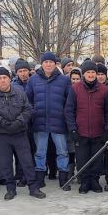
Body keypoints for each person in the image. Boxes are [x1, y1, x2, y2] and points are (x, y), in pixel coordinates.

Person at [0, 67, 46, 200]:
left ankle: (34, 188)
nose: (2, 80)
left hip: (19, 133)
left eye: (5, 77)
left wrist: (19, 122)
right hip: (2, 135)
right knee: (5, 163)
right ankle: (10, 189)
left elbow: (28, 110)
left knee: (27, 162)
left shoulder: (20, 93)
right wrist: (3, 123)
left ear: (9, 79)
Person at [65, 60, 108, 194]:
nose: (91, 75)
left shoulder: (103, 89)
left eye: (93, 72)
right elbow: (69, 110)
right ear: (83, 74)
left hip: (99, 132)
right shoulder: (75, 89)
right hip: (81, 132)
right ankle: (85, 181)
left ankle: (95, 181)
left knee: (97, 159)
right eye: (88, 72)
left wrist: (107, 129)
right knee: (82, 159)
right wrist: (73, 129)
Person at [25, 51, 72, 188]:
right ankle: (40, 177)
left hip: (59, 122)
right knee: (40, 152)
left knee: (62, 151)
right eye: (46, 62)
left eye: (51, 62)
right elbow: (27, 100)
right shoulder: (33, 79)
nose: (48, 64)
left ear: (55, 64)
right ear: (42, 64)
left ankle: (63, 177)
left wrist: (65, 117)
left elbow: (69, 101)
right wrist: (33, 114)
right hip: (39, 122)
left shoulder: (64, 80)